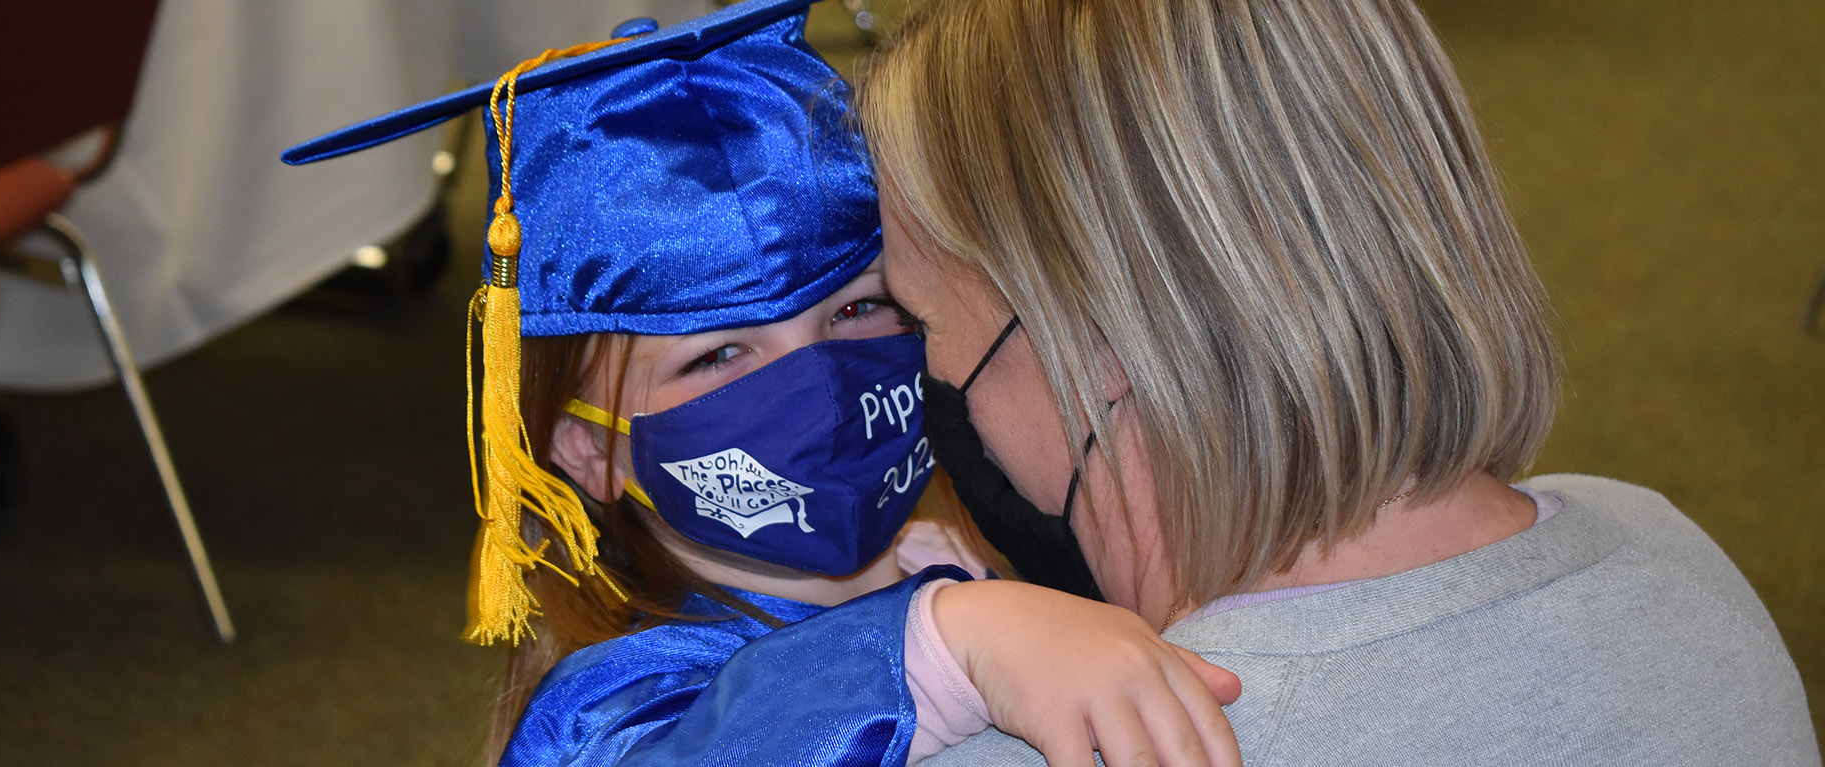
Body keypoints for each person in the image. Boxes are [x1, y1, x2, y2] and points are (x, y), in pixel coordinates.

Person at [854, 0, 1821, 764]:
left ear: (1100, 340)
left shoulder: (1062, 748)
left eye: (917, 321)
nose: (909, 374)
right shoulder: (1675, 563)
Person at [284, 2, 1240, 766]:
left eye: (861, 311)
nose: (817, 383)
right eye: (718, 355)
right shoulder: (609, 705)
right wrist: (943, 644)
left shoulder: (975, 552)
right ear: (590, 447)